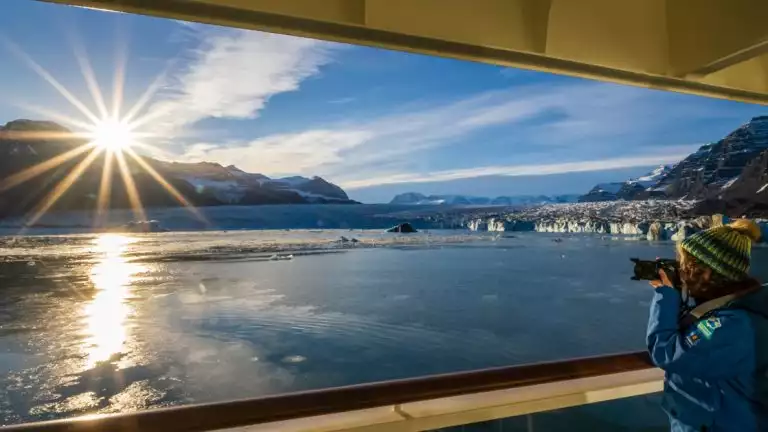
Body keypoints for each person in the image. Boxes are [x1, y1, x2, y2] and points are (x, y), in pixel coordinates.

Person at [647, 218, 768, 431]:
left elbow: (666, 351)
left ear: (707, 273)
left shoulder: (732, 326)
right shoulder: (730, 311)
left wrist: (666, 295)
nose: (682, 272)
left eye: (687, 266)